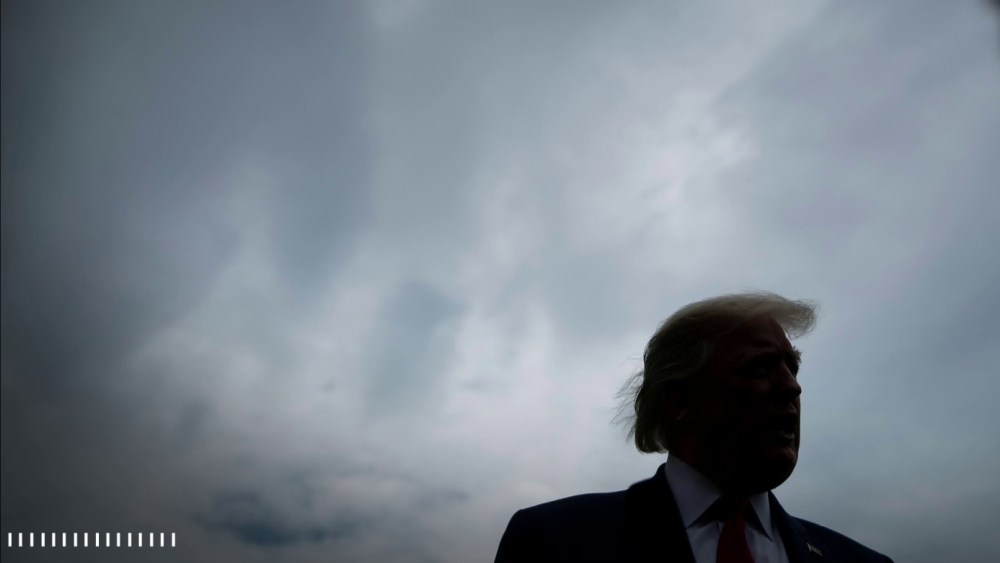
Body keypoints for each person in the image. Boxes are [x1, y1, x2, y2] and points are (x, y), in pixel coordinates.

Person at [495, 292, 892, 562]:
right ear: (679, 401)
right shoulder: (553, 542)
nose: (792, 387)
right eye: (760, 367)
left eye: (793, 367)